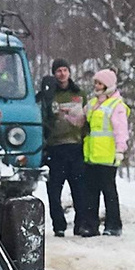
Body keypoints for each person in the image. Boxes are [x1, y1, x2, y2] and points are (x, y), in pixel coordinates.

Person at [35, 60, 89, 236]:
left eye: (65, 70)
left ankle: (80, 224)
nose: (62, 74)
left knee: (80, 190)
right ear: (53, 73)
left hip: (75, 147)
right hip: (55, 148)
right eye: (58, 71)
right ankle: (59, 225)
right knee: (54, 191)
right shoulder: (46, 96)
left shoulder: (79, 94)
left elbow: (88, 119)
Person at [82, 68, 128, 236]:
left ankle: (113, 225)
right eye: (95, 82)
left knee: (109, 191)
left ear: (107, 85)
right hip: (92, 155)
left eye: (100, 83)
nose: (96, 86)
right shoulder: (93, 103)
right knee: (91, 193)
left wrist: (120, 150)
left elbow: (121, 129)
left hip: (108, 156)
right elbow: (82, 119)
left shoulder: (116, 105)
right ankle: (90, 225)